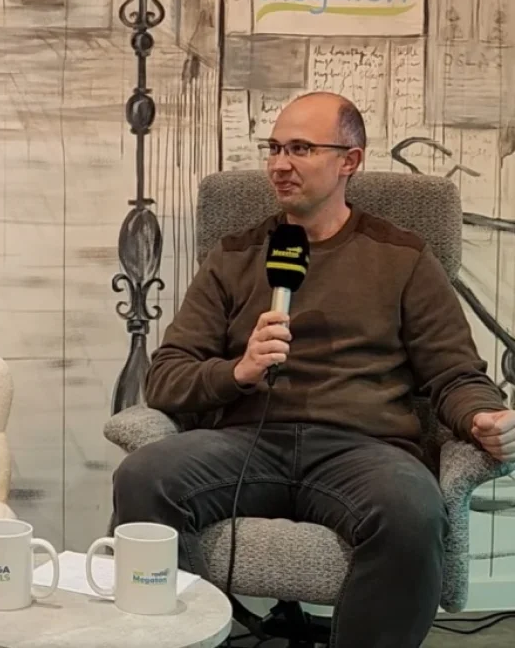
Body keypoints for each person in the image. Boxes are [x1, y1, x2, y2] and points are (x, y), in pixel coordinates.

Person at [111, 91, 515, 647]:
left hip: (364, 451)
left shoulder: (403, 257)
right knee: (142, 477)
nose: (280, 164)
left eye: (301, 148)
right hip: (246, 445)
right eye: (275, 148)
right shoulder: (234, 255)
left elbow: (455, 374)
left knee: (412, 511)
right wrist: (238, 373)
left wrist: (482, 417)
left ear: (350, 160)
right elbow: (166, 376)